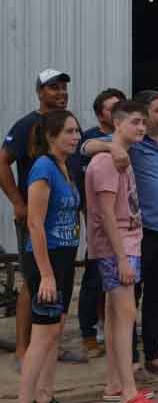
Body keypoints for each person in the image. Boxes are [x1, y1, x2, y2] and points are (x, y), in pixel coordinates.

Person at [82, 90, 158, 377]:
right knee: (128, 300)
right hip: (138, 231)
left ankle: (152, 355)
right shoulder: (129, 145)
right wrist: (110, 147)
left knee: (156, 295)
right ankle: (131, 363)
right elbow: (85, 146)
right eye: (157, 110)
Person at [0, 69, 82, 373]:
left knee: (57, 283)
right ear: (39, 92)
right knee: (33, 283)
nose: (60, 93)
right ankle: (24, 350)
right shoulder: (26, 125)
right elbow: (2, 162)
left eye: (63, 88)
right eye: (53, 88)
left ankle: (50, 346)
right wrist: (18, 203)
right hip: (35, 218)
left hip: (62, 221)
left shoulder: (67, 125)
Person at [85, 101, 158, 403]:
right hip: (118, 248)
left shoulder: (120, 156)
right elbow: (104, 214)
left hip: (127, 244)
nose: (141, 127)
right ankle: (128, 390)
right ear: (117, 123)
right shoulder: (107, 161)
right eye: (135, 122)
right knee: (125, 316)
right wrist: (120, 259)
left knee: (118, 316)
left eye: (144, 122)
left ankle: (115, 384)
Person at [18, 110, 81, 403]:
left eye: (77, 131)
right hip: (47, 260)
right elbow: (34, 223)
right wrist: (46, 274)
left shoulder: (65, 167)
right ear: (50, 136)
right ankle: (25, 399)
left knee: (55, 332)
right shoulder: (43, 167)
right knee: (42, 337)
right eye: (69, 131)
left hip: (65, 258)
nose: (76, 137)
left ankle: (45, 395)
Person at [79, 87, 126, 360]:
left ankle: (116, 327)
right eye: (112, 108)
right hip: (99, 221)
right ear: (100, 115)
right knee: (94, 277)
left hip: (126, 223)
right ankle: (88, 332)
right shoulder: (89, 139)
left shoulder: (131, 136)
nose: (118, 110)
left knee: (122, 280)